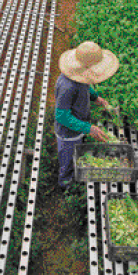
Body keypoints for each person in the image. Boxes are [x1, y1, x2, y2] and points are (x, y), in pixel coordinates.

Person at [55, 41, 120, 191]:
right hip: (68, 133)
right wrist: (88, 128)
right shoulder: (67, 86)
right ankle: (66, 184)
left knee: (76, 151)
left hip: (79, 126)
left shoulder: (80, 77)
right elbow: (61, 116)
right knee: (67, 159)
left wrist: (96, 98)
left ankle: (75, 173)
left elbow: (86, 87)